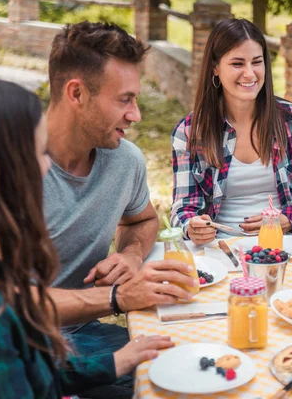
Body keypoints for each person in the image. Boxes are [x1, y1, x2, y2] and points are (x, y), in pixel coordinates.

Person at [0, 78, 175, 398]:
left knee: (169, 363)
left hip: (62, 353)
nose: (47, 167)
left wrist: (119, 361)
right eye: (37, 153)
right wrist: (118, 297)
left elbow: (41, 367)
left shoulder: (126, 160)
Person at [43, 22, 197, 398]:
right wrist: (116, 298)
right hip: (17, 344)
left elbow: (143, 219)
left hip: (85, 333)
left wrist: (130, 254)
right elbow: (2, 304)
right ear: (77, 93)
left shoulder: (124, 160)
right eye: (124, 99)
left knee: (191, 365)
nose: (136, 115)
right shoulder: (9, 166)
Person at [170, 18, 292, 244]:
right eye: (237, 64)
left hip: (286, 244)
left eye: (256, 62)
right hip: (220, 248)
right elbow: (183, 207)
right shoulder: (190, 132)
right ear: (215, 68)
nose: (250, 74)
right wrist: (191, 226)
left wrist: (289, 218)